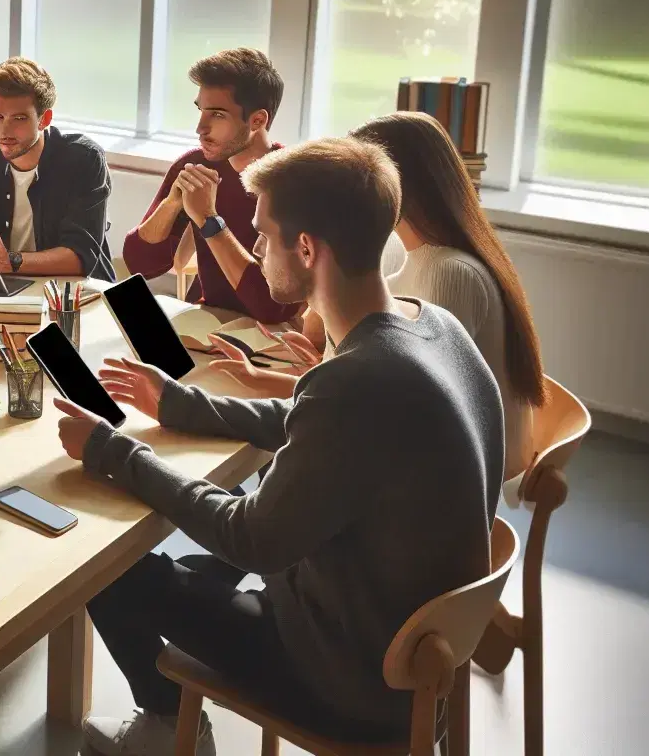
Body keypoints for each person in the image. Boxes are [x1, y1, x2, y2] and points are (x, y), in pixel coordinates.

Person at [59, 137, 502, 756]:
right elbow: (311, 417)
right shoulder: (432, 327)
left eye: (263, 234)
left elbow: (252, 539)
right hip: (396, 640)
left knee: (101, 568)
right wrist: (180, 404)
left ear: (306, 248)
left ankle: (165, 725)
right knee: (178, 564)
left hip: (346, 678)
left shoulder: (358, 379)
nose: (256, 248)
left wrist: (113, 451)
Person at [211, 112, 547, 485]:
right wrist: (290, 375)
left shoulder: (448, 272)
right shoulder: (399, 252)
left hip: (445, 481)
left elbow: (406, 408)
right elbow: (372, 380)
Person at [122, 48, 302, 325]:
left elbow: (272, 308)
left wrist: (209, 220)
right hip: (209, 322)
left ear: (257, 120)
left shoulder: (294, 181)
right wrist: (172, 204)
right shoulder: (196, 165)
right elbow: (141, 266)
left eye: (217, 115)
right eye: (201, 111)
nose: (200, 128)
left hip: (273, 336)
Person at [0, 57, 115, 279]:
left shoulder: (84, 160)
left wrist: (9, 260)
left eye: (19, 118)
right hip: (7, 286)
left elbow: (81, 257)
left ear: (44, 119)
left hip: (75, 292)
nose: (5, 130)